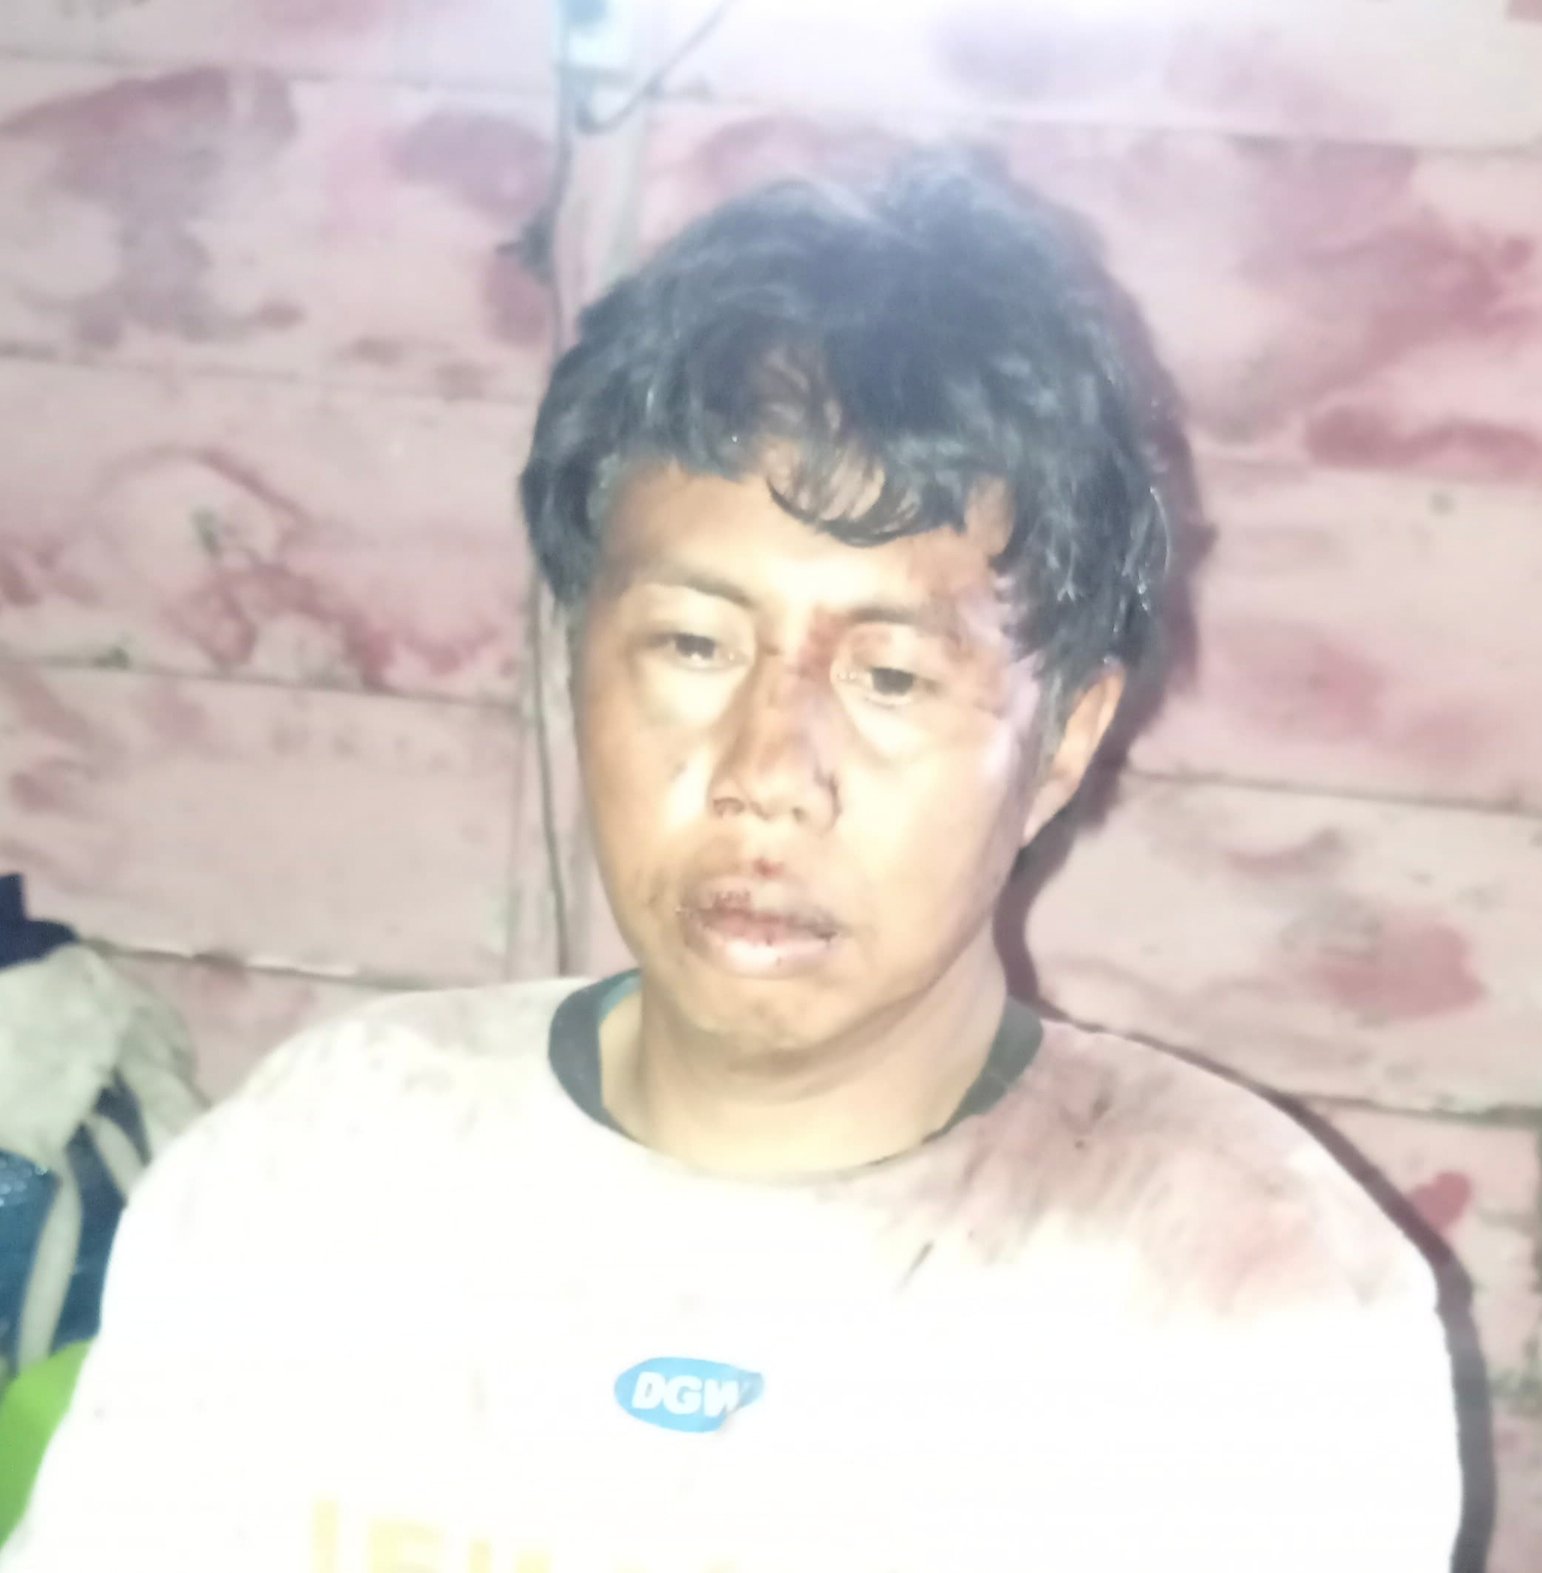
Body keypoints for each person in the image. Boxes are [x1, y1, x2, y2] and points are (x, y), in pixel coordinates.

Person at [1, 156, 1461, 1573]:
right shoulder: (326, 1176)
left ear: (1066, 740)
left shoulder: (1243, 1297)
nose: (769, 769)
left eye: (892, 676)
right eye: (694, 645)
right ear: (577, 663)